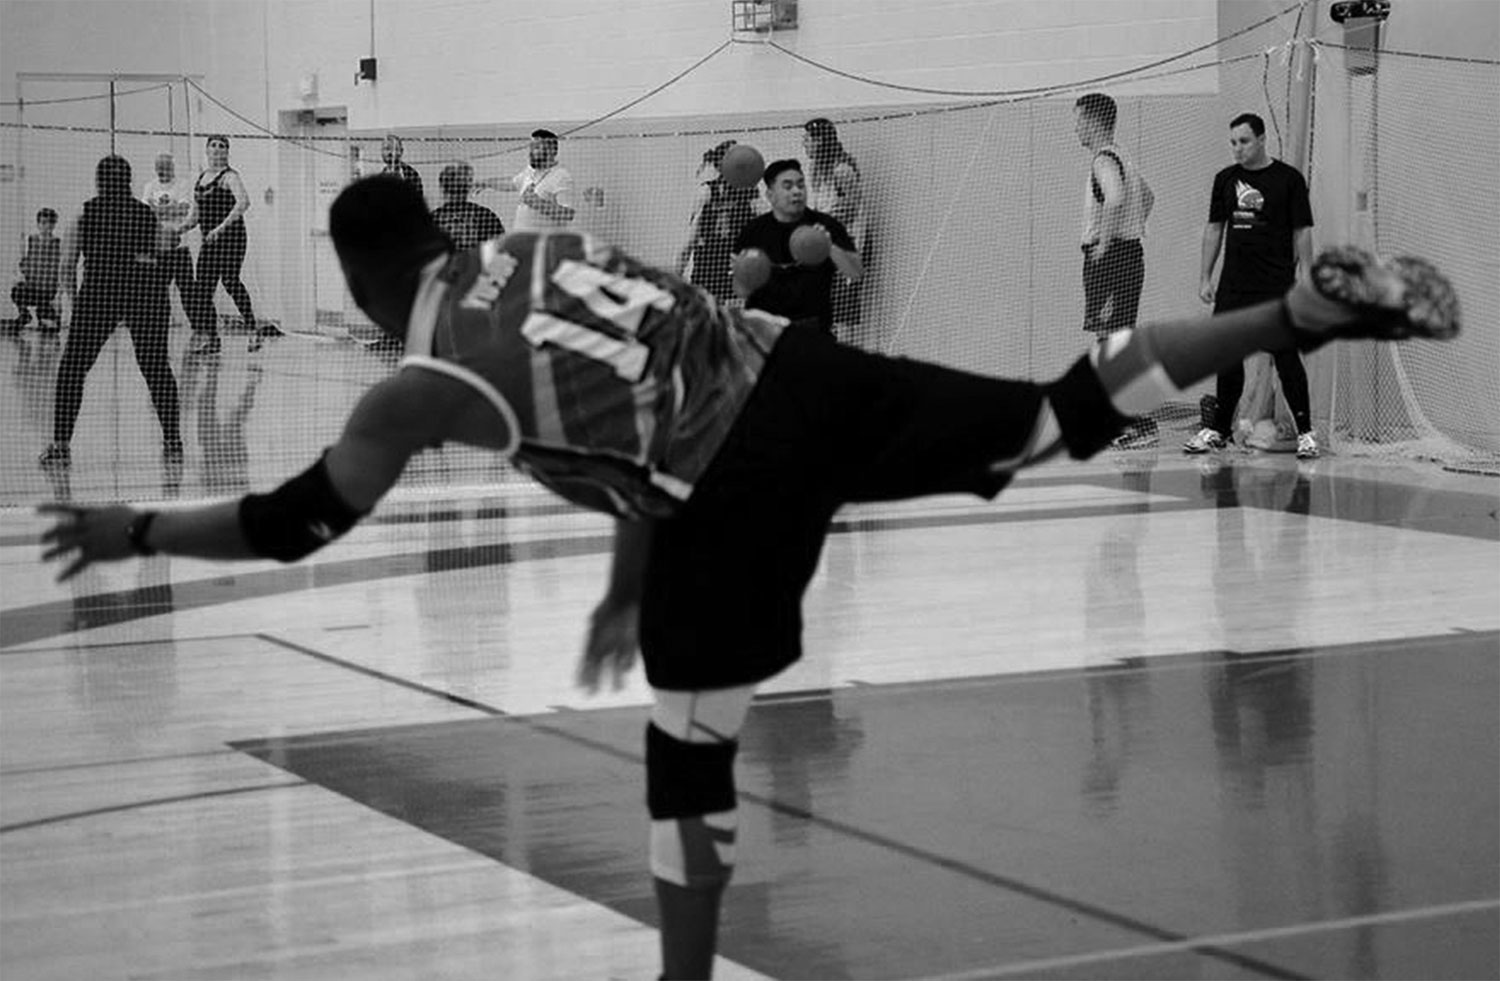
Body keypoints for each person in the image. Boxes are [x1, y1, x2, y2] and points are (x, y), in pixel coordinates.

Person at [38, 175, 1459, 980]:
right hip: (801, 368)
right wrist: (619, 572)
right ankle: (1297, 315)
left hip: (729, 484)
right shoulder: (545, 244)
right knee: (1053, 415)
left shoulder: (419, 380)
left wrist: (140, 535)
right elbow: (624, 403)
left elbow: (298, 522)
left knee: (688, 747)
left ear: (357, 279)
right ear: (448, 236)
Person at [1188, 112, 1320, 460]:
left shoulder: (1288, 180)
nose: (1238, 149)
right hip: (1234, 287)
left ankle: (1306, 433)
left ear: (1262, 140)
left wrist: (1306, 275)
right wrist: (1205, 276)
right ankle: (1218, 430)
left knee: (1286, 356)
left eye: (1244, 141)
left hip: (1274, 287)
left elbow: (1302, 231)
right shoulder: (1225, 180)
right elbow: (1215, 229)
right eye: (1233, 142)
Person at [39, 155, 181, 470]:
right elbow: (167, 255)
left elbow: (66, 266)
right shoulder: (147, 214)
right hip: (145, 296)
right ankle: (174, 443)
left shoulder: (84, 214)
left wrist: (76, 306)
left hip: (99, 295)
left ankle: (61, 447)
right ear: (128, 181)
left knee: (72, 369)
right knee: (156, 368)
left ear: (98, 181)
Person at [1074, 92, 1157, 449]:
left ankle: (1132, 424)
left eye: (1078, 120)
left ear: (1093, 121)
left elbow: (1115, 197)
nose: (1075, 128)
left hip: (1112, 257)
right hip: (1129, 253)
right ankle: (1136, 420)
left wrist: (1106, 244)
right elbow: (1149, 197)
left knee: (1111, 342)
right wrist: (1132, 229)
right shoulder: (1125, 156)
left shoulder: (1104, 160)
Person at [733, 159, 863, 332]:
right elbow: (741, 291)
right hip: (765, 332)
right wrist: (744, 273)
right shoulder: (753, 232)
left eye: (801, 185)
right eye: (787, 186)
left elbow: (855, 272)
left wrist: (829, 246)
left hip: (812, 330)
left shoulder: (826, 225)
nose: (797, 191)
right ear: (770, 195)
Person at [192, 134, 275, 353]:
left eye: (222, 146)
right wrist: (179, 228)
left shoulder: (230, 177)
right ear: (207, 150)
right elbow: (196, 215)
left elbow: (243, 202)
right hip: (209, 240)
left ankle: (253, 331)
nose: (217, 149)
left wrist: (220, 228)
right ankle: (212, 339)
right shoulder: (201, 179)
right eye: (213, 146)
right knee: (203, 289)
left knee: (230, 281)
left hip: (231, 238)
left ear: (227, 151)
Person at [802, 118, 867, 335]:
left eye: (807, 139)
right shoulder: (815, 169)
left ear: (819, 141)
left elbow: (856, 209)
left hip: (846, 246)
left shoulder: (842, 169)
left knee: (842, 311)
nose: (804, 143)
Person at [676, 139, 758, 304]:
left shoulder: (750, 192)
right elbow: (689, 242)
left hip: (736, 270)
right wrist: (675, 283)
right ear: (722, 164)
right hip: (707, 269)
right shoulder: (707, 192)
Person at [140, 152, 198, 331]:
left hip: (179, 248)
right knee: (156, 291)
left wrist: (156, 209)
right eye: (159, 167)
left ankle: (199, 328)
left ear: (172, 168)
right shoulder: (149, 186)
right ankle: (157, 327)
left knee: (187, 291)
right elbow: (145, 214)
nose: (162, 171)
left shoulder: (182, 185)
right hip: (157, 248)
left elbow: (182, 210)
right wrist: (167, 209)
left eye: (166, 167)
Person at [4, 208, 62, 333]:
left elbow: (61, 270)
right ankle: (25, 315)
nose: (47, 226)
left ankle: (45, 314)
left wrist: (59, 294)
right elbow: (22, 265)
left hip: (48, 291)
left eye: (50, 223)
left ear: (54, 225)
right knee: (16, 291)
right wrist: (20, 272)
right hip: (32, 288)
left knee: (51, 329)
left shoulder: (59, 244)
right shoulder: (30, 241)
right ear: (38, 224)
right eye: (43, 223)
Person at [510, 128, 575, 231]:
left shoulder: (562, 176)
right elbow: (512, 183)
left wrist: (537, 203)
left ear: (551, 151)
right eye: (530, 147)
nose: (531, 152)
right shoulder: (530, 170)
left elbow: (568, 214)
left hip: (544, 243)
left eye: (536, 147)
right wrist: (484, 183)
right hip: (523, 241)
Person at [430, 161, 505, 250]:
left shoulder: (431, 220)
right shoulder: (486, 216)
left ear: (442, 188)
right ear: (468, 188)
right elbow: (500, 249)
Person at [380, 134, 424, 198]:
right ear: (381, 152)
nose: (391, 152)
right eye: (387, 148)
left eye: (395, 149)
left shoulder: (411, 174)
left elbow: (418, 199)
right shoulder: (380, 178)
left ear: (401, 151)